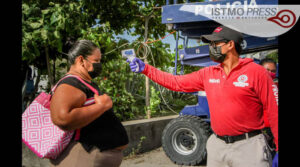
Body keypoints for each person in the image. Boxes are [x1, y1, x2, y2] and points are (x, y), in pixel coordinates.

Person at [127, 26, 278, 167]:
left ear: (230, 44)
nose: (211, 47)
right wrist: (146, 69)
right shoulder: (208, 73)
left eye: (215, 43)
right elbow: (176, 82)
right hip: (217, 146)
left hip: (249, 147)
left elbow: (274, 111)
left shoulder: (256, 72)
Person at [50, 39, 129, 167]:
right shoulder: (71, 83)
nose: (99, 65)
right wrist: (101, 106)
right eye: (96, 61)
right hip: (85, 157)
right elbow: (62, 118)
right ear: (81, 60)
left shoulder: (84, 82)